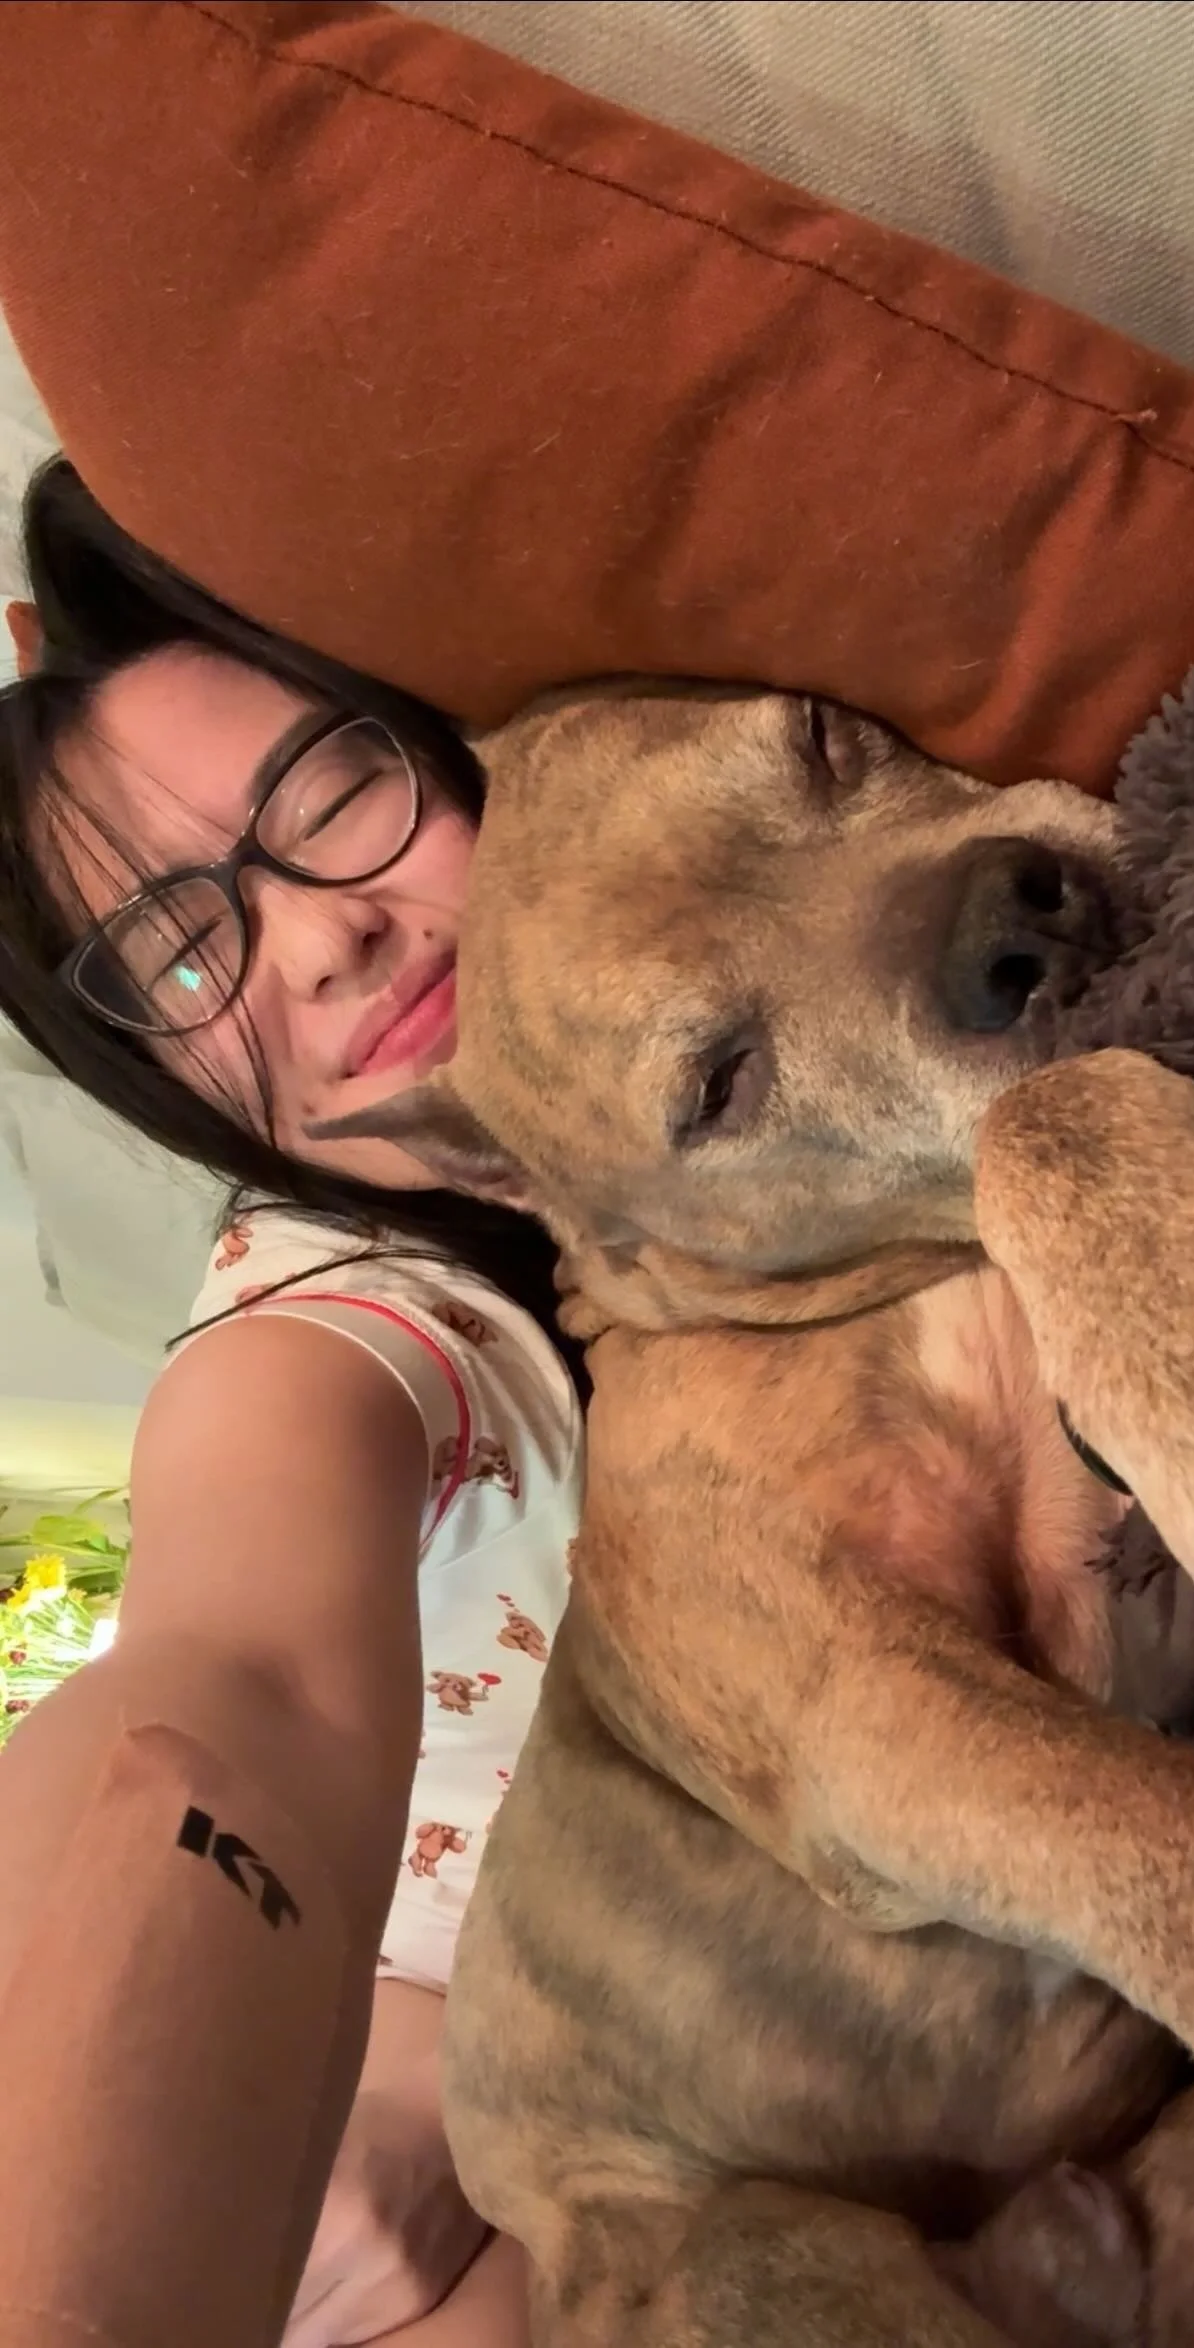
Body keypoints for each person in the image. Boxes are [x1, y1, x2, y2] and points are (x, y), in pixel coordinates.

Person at [0, 458, 584, 2347]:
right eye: (182, 952)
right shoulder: (340, 1331)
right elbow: (232, 1687)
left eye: (330, 797)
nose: (321, 937)